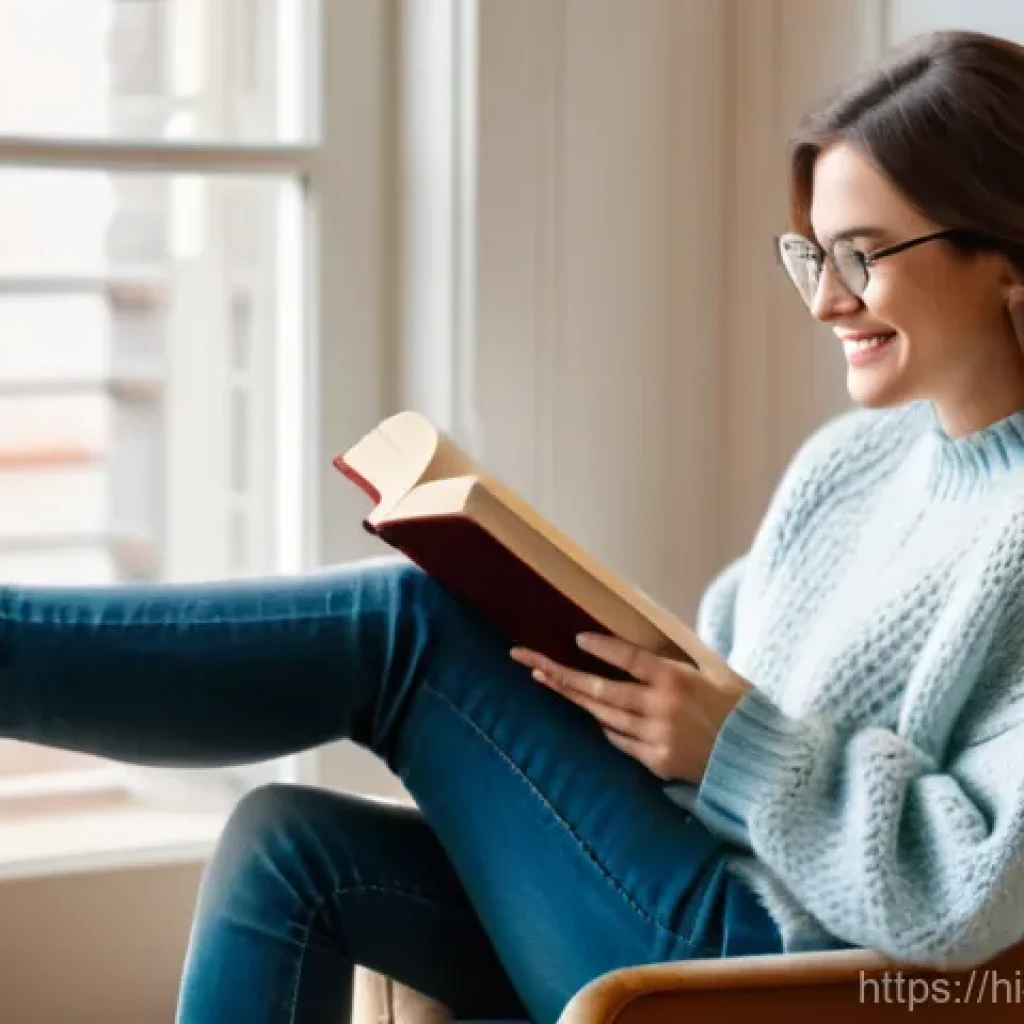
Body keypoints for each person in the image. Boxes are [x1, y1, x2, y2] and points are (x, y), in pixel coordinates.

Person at [5, 26, 1024, 1024]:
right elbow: (723, 693)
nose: (827, 302)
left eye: (865, 255)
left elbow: (972, 889)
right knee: (288, 846)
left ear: (1006, 251)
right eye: (813, 257)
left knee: (405, 625)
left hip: (774, 966)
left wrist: (738, 751)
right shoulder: (848, 463)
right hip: (679, 877)